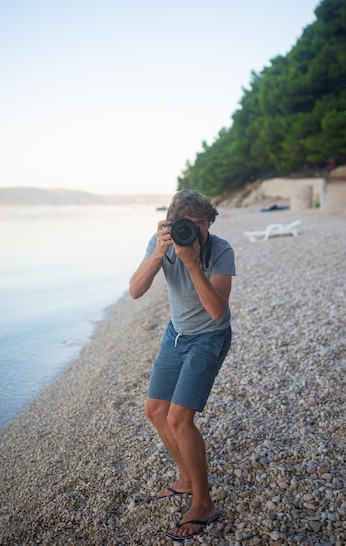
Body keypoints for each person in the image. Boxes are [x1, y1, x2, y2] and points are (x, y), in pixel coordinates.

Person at [129, 189, 236, 541]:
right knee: (156, 410)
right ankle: (188, 478)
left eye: (201, 223)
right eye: (185, 225)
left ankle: (203, 503)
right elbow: (135, 290)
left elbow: (218, 310)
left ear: (210, 223)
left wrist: (190, 262)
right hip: (176, 334)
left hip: (209, 337)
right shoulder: (161, 243)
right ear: (171, 224)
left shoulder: (220, 250)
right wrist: (160, 252)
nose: (194, 231)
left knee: (179, 417)